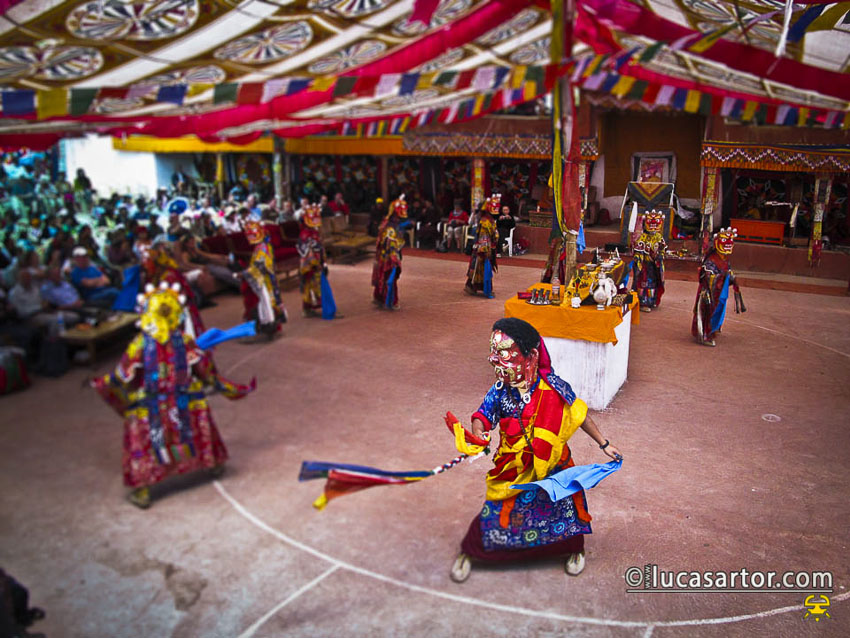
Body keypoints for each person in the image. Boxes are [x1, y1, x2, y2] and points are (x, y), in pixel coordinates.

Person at [449, 317, 622, 583]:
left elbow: (580, 415)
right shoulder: (500, 391)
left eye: (505, 354)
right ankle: (470, 552)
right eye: (494, 353)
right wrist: (479, 433)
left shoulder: (554, 387)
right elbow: (482, 416)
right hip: (513, 470)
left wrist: (605, 444)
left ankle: (575, 551)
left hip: (553, 467)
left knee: (564, 512)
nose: (495, 360)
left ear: (530, 356)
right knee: (495, 514)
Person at [91, 283, 255, 508]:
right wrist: (226, 386)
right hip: (185, 401)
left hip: (152, 405)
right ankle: (214, 464)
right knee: (196, 420)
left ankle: (143, 489)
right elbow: (204, 371)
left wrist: (103, 384)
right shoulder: (184, 342)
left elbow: (122, 376)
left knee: (147, 436)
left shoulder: (140, 345)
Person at [692, 227, 745, 347]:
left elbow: (726, 272)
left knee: (718, 310)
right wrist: (723, 276)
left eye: (730, 241)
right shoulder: (711, 260)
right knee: (708, 312)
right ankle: (705, 335)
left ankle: (714, 328)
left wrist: (730, 277)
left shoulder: (725, 259)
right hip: (709, 292)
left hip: (720, 293)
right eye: (725, 240)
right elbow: (707, 276)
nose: (728, 243)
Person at [240, 220, 286, 339]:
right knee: (267, 302)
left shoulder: (263, 247)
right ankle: (268, 327)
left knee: (265, 303)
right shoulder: (262, 246)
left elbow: (260, 265)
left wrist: (244, 273)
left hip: (264, 280)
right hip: (263, 279)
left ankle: (268, 329)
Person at [371, 195, 407, 310]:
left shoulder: (387, 223)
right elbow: (391, 244)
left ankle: (380, 297)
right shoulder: (390, 227)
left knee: (383, 276)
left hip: (384, 255)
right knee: (390, 278)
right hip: (389, 256)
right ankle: (391, 300)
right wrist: (395, 258)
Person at [630, 210, 666, 312]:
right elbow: (638, 251)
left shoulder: (659, 237)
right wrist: (639, 258)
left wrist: (659, 256)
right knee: (643, 284)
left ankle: (652, 301)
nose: (653, 227)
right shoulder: (643, 237)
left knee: (654, 283)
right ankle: (643, 302)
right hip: (645, 266)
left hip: (655, 266)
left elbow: (662, 249)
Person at [464, 194, 499, 298]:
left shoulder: (490, 220)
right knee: (479, 269)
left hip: (489, 247)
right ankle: (473, 287)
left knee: (483, 269)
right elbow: (484, 237)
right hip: (483, 249)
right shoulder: (485, 222)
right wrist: (485, 250)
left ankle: (477, 287)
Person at [296, 203, 327, 317]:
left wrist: (323, 261)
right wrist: (314, 263)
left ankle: (310, 308)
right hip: (309, 266)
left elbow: (320, 247)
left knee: (314, 286)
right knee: (310, 286)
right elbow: (306, 252)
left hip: (317, 263)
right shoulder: (305, 234)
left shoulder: (314, 232)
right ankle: (311, 309)